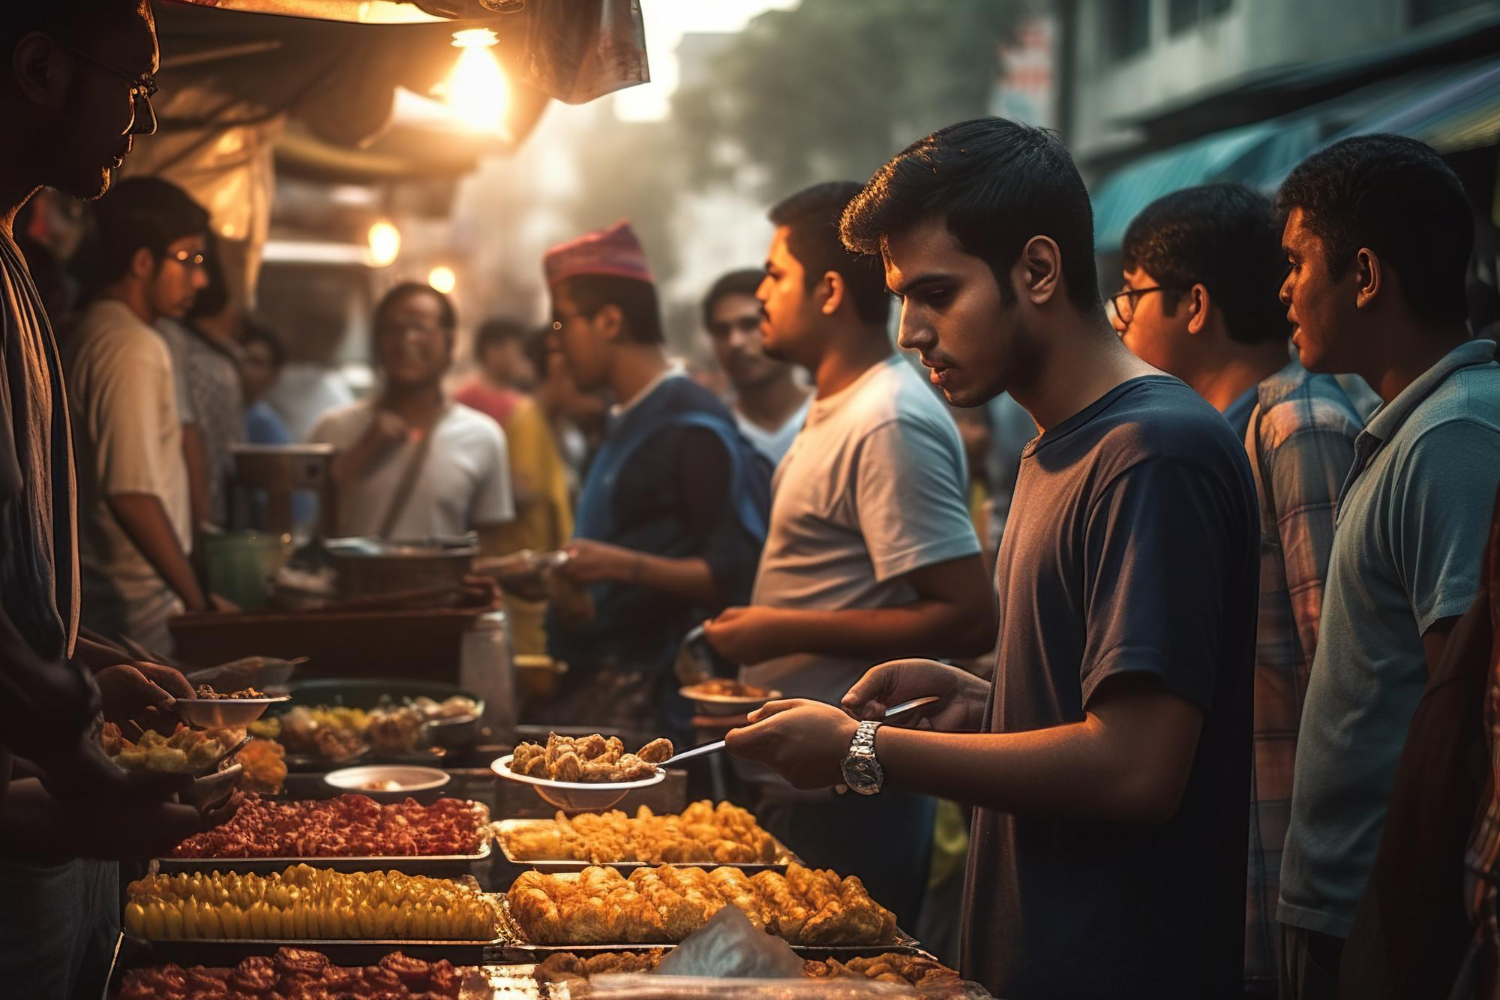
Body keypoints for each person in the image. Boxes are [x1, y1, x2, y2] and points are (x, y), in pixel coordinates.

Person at [723, 118, 1260, 1000]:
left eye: (935, 293)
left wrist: (867, 749)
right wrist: (990, 701)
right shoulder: (1059, 446)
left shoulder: (1154, 451)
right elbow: (1090, 711)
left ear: (1039, 271)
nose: (910, 331)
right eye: (901, 297)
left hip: (1113, 961)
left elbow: (1136, 767)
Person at [0, 5, 240, 996]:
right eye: (134, 88)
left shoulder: (16, 266)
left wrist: (92, 660)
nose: (142, 124)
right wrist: (76, 763)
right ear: (43, 70)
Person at [701, 183, 993, 927]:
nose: (762, 293)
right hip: (801, 784)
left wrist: (783, 628)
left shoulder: (887, 417)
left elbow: (965, 617)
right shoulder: (837, 406)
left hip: (852, 790)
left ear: (829, 290)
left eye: (774, 275)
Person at [1112, 182, 1366, 998]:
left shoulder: (1299, 428)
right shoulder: (1203, 433)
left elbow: (1342, 673)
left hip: (1284, 849)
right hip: (1224, 841)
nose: (1121, 318)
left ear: (1194, 304)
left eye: (1132, 293)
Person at [1274, 134, 1500, 1000]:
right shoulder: (1412, 428)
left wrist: (1402, 927)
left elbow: (1465, 713)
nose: (1284, 289)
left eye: (1297, 262)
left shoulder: (1454, 438)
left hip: (1384, 918)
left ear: (1364, 276)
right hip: (1343, 908)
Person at [541, 220, 770, 733]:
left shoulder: (692, 423)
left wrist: (618, 566)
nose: (554, 347)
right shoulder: (624, 416)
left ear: (609, 321)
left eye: (561, 325)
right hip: (604, 683)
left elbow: (731, 572)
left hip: (657, 704)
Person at [65, 175, 226, 653]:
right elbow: (130, 493)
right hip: (134, 614)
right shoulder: (131, 344)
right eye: (189, 259)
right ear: (141, 261)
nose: (201, 279)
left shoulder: (99, 330)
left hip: (122, 605)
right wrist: (198, 604)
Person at [310, 283, 514, 542]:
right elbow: (312, 525)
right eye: (393, 329)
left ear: (449, 342)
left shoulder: (483, 437)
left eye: (419, 328)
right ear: (377, 340)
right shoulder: (333, 429)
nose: (407, 340)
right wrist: (361, 453)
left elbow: (487, 545)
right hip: (353, 581)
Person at [456, 317, 573, 556]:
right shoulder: (468, 401)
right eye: (516, 351)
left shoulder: (517, 402)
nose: (521, 360)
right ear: (492, 351)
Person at [157, 235, 243, 531]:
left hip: (206, 518)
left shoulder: (212, 351)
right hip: (189, 525)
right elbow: (187, 433)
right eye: (190, 260)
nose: (201, 279)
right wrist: (203, 528)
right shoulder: (167, 337)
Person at [701, 268, 810, 466]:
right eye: (721, 331)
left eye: (750, 325)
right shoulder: (712, 434)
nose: (735, 342)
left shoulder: (833, 415)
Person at [240, 319, 293, 446]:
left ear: (275, 375)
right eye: (244, 359)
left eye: (257, 363)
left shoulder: (264, 425)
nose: (246, 369)